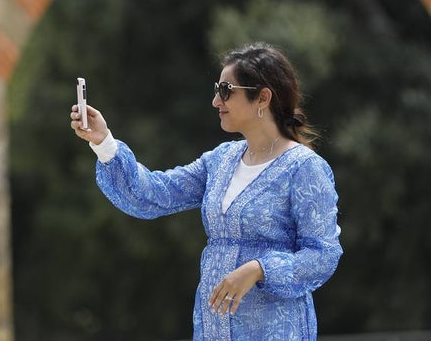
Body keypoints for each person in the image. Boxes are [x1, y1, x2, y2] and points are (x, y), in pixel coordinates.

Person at [70, 42, 342, 340]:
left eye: (226, 90)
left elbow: (322, 256)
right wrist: (104, 143)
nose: (216, 100)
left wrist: (259, 268)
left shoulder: (305, 168)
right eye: (217, 88)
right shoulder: (221, 160)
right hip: (214, 330)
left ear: (262, 97)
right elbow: (151, 196)